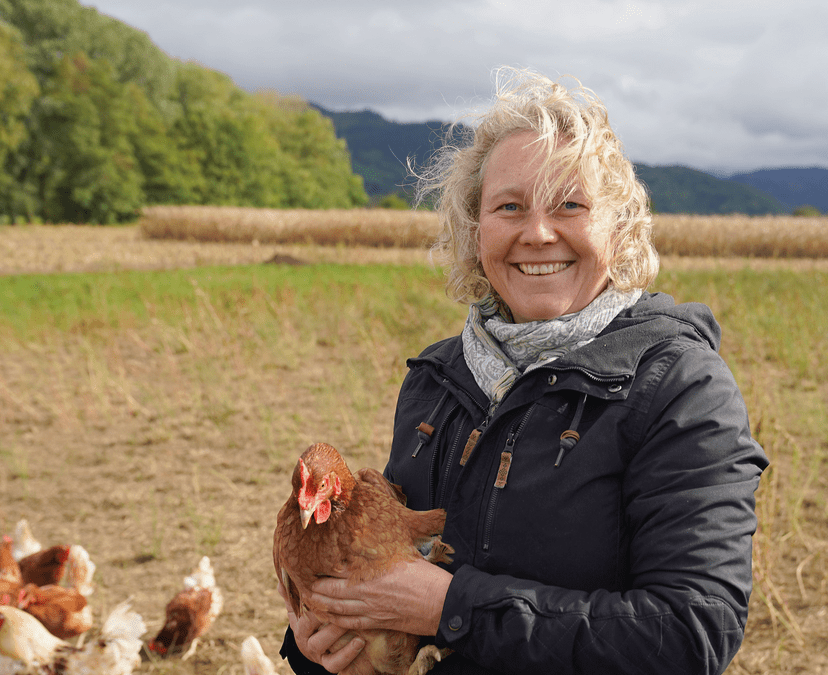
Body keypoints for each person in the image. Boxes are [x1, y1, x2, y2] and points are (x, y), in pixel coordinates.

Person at [278, 67, 768, 675]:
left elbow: (693, 632)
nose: (537, 233)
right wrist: (320, 647)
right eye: (509, 206)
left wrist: (450, 608)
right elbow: (388, 574)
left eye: (570, 205)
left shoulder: (680, 388)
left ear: (618, 229)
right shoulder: (437, 379)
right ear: (475, 229)